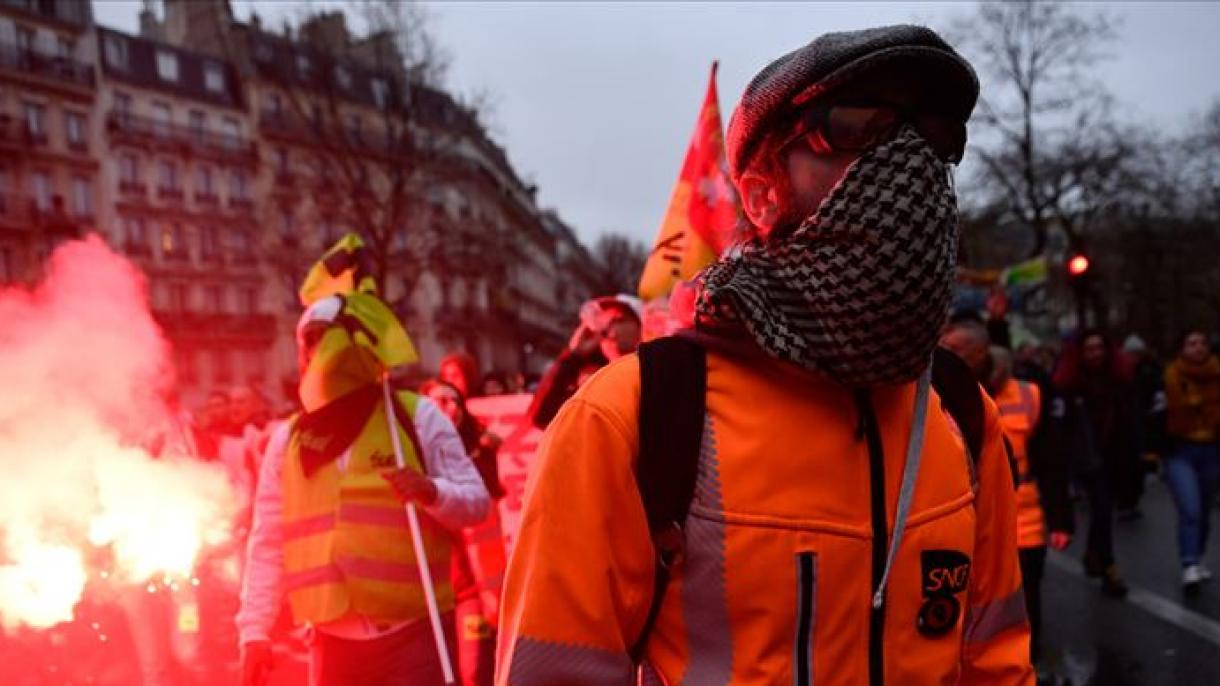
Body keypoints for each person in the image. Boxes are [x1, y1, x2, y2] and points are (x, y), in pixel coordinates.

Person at [497, 26, 1032, 685]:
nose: (911, 165)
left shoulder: (959, 412)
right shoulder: (629, 420)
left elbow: (996, 661)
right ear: (760, 193)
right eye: (861, 129)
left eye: (935, 138)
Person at [238, 240, 489, 686]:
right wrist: (254, 630)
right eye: (307, 342)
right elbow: (268, 540)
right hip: (333, 647)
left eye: (325, 339)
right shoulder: (289, 440)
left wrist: (430, 491)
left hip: (416, 636)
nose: (316, 353)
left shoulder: (415, 417)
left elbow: (476, 503)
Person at [941, 320, 1072, 666]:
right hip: (960, 525)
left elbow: (1052, 461)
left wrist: (1061, 520)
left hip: (1024, 521)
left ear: (981, 352)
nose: (945, 354)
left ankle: (1029, 662)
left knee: (1020, 605)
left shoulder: (1028, 394)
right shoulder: (939, 392)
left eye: (955, 349)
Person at [422, 378, 507, 686]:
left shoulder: (479, 453)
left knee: (473, 671)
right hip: (427, 594)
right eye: (441, 401)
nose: (451, 408)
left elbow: (488, 506)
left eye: (455, 400)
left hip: (470, 591)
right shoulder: (412, 456)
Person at [1052, 329, 1134, 597]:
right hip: (1085, 457)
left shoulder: (1118, 381)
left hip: (1112, 455)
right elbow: (1060, 426)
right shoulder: (1069, 386)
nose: (1095, 354)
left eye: (1099, 348)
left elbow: (1131, 419)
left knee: (1104, 509)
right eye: (1089, 349)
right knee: (1101, 508)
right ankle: (1108, 565)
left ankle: (1093, 553)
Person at [524, 294, 642, 429]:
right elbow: (541, 417)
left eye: (619, 320)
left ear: (640, 325)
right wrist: (574, 356)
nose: (610, 329)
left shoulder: (652, 368)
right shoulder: (588, 375)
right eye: (604, 322)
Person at [1162, 329, 1220, 591]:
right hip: (1180, 450)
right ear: (1182, 348)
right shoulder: (1170, 376)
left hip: (1212, 448)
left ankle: (1197, 555)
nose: (1197, 348)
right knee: (1191, 507)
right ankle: (1189, 563)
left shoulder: (1216, 374)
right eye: (1191, 343)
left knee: (1205, 509)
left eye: (1202, 343)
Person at [1121, 334, 1169, 520]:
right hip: (1126, 424)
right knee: (1126, 463)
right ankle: (1126, 499)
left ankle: (1132, 498)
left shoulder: (1150, 371)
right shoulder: (1123, 372)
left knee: (1138, 463)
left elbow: (1158, 396)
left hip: (1143, 421)